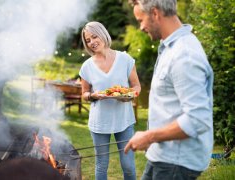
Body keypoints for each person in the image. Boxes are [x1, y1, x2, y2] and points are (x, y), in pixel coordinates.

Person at [124, 0, 214, 180]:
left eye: (141, 20)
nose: (140, 27)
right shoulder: (169, 47)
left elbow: (197, 119)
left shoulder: (184, 55)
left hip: (176, 162)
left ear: (155, 13)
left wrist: (149, 136)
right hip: (162, 154)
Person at [79, 21, 141, 180]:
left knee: (128, 165)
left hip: (124, 120)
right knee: (101, 164)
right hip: (99, 122)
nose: (92, 42)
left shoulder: (125, 59)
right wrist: (93, 96)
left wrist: (128, 96)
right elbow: (84, 94)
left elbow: (136, 86)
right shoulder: (87, 66)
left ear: (103, 34)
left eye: (94, 36)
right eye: (88, 40)